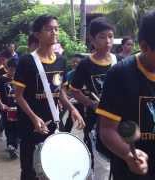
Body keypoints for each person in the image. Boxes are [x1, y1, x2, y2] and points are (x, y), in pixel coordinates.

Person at [12, 15, 85, 180]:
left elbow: (60, 93)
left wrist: (72, 109)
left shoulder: (60, 60)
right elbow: (18, 96)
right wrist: (33, 118)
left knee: (52, 168)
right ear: (37, 34)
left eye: (56, 28)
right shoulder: (27, 61)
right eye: (49, 29)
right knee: (30, 169)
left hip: (53, 123)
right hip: (30, 125)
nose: (54, 32)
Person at [96, 11, 155, 180]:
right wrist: (128, 154)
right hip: (131, 170)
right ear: (144, 47)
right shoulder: (120, 74)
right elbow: (107, 129)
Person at [70, 17, 117, 179]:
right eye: (102, 37)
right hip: (95, 123)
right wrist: (92, 104)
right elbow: (74, 91)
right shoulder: (85, 65)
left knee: (117, 164)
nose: (108, 41)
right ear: (92, 39)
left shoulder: (119, 62)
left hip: (118, 123)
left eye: (110, 36)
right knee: (101, 165)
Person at [0, 58, 19, 159]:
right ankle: (10, 145)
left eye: (15, 70)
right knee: (8, 127)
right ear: (7, 68)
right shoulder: (2, 79)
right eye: (11, 69)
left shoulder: (19, 78)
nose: (13, 72)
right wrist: (1, 104)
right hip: (6, 108)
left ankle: (14, 146)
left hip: (18, 108)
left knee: (17, 127)